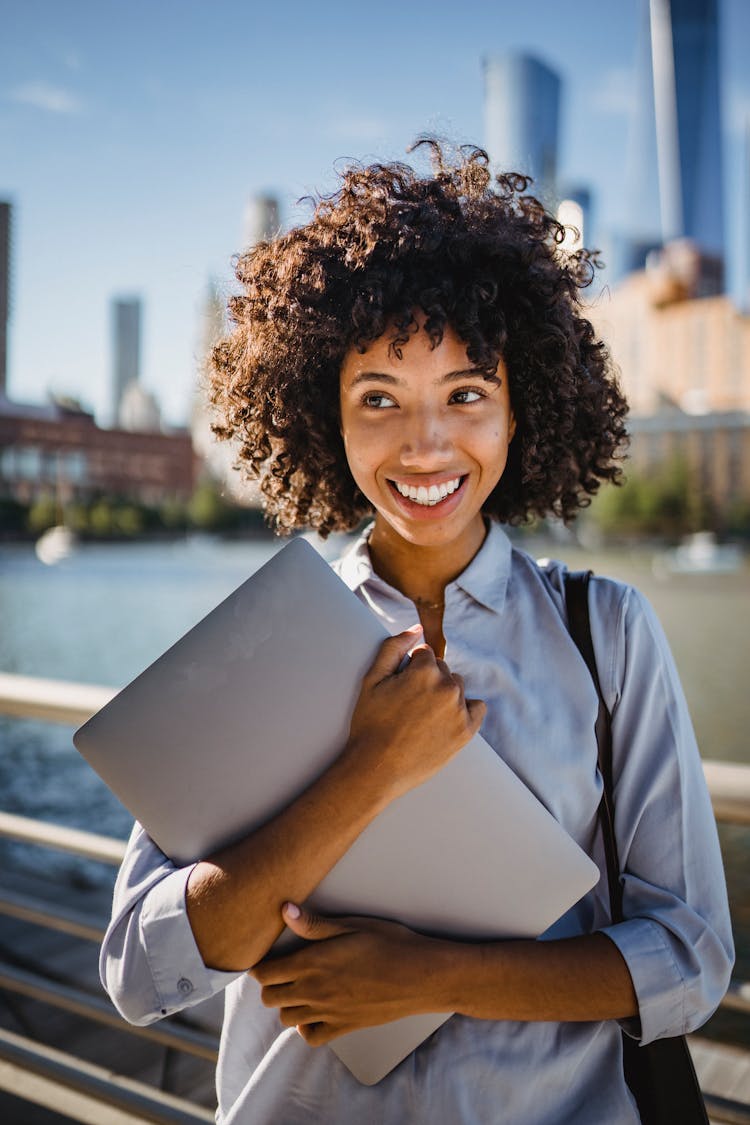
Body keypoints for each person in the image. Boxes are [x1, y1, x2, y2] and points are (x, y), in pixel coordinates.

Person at [101, 141, 733, 1124]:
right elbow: (139, 971)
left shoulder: (607, 633)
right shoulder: (257, 645)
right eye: (379, 400)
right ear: (328, 416)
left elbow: (689, 961)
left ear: (522, 410)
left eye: (466, 395)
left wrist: (428, 975)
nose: (425, 444)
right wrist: (369, 773)